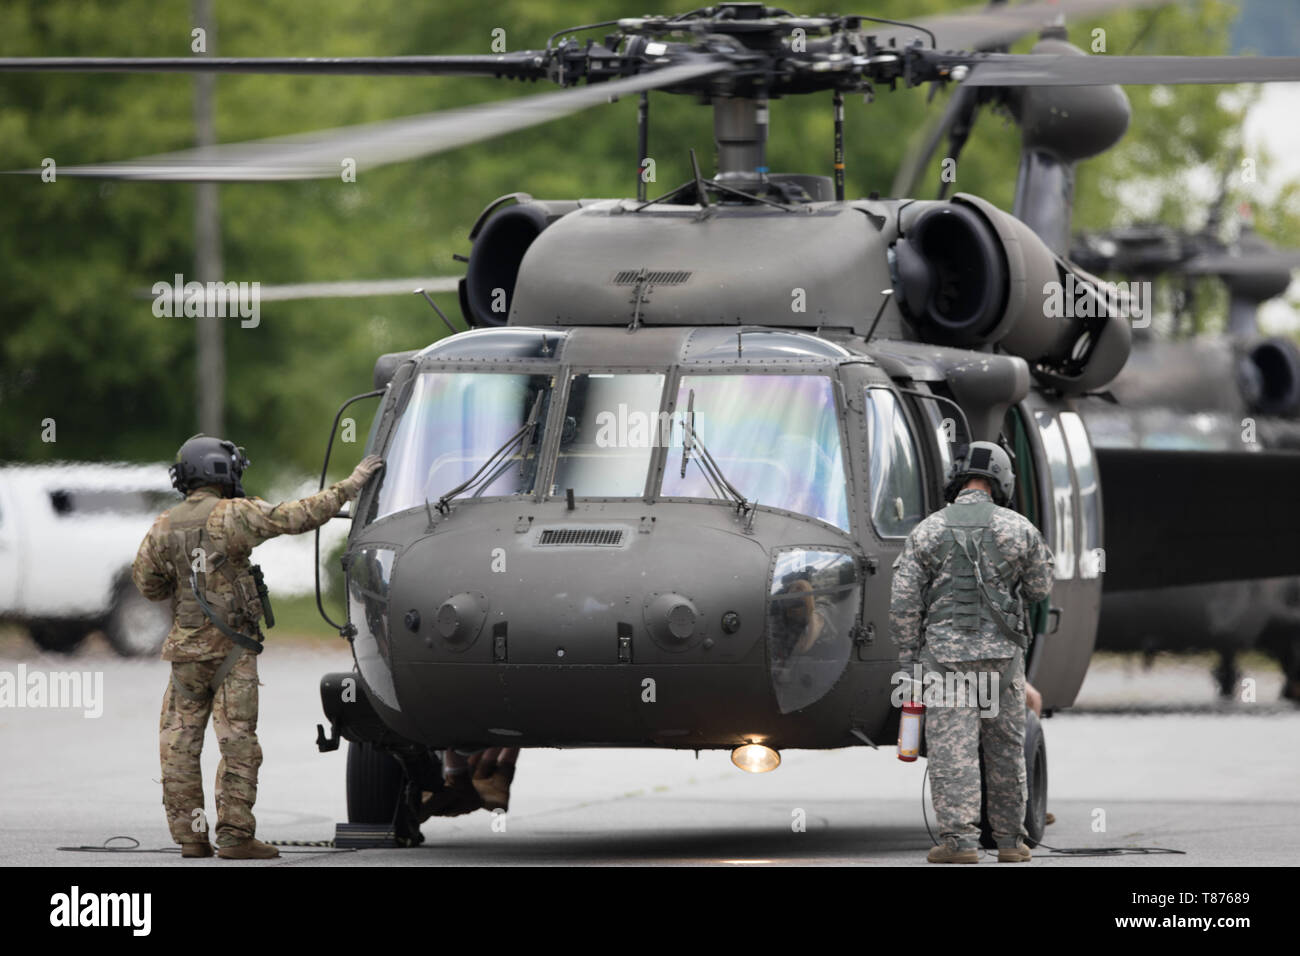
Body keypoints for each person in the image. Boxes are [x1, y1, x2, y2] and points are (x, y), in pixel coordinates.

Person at [132, 434, 383, 860]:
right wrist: (351, 484)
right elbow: (297, 516)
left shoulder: (163, 525)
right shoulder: (235, 516)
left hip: (185, 658)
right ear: (220, 471)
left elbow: (148, 585)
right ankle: (234, 837)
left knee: (179, 745)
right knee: (238, 743)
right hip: (233, 655)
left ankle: (191, 838)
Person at [889, 440, 1053, 864]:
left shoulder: (927, 530)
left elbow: (904, 602)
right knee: (1005, 751)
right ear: (1003, 479)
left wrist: (909, 658)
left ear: (956, 477)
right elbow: (1039, 590)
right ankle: (1010, 843)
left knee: (952, 753)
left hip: (946, 665)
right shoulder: (1019, 529)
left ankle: (960, 844)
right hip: (1003, 662)